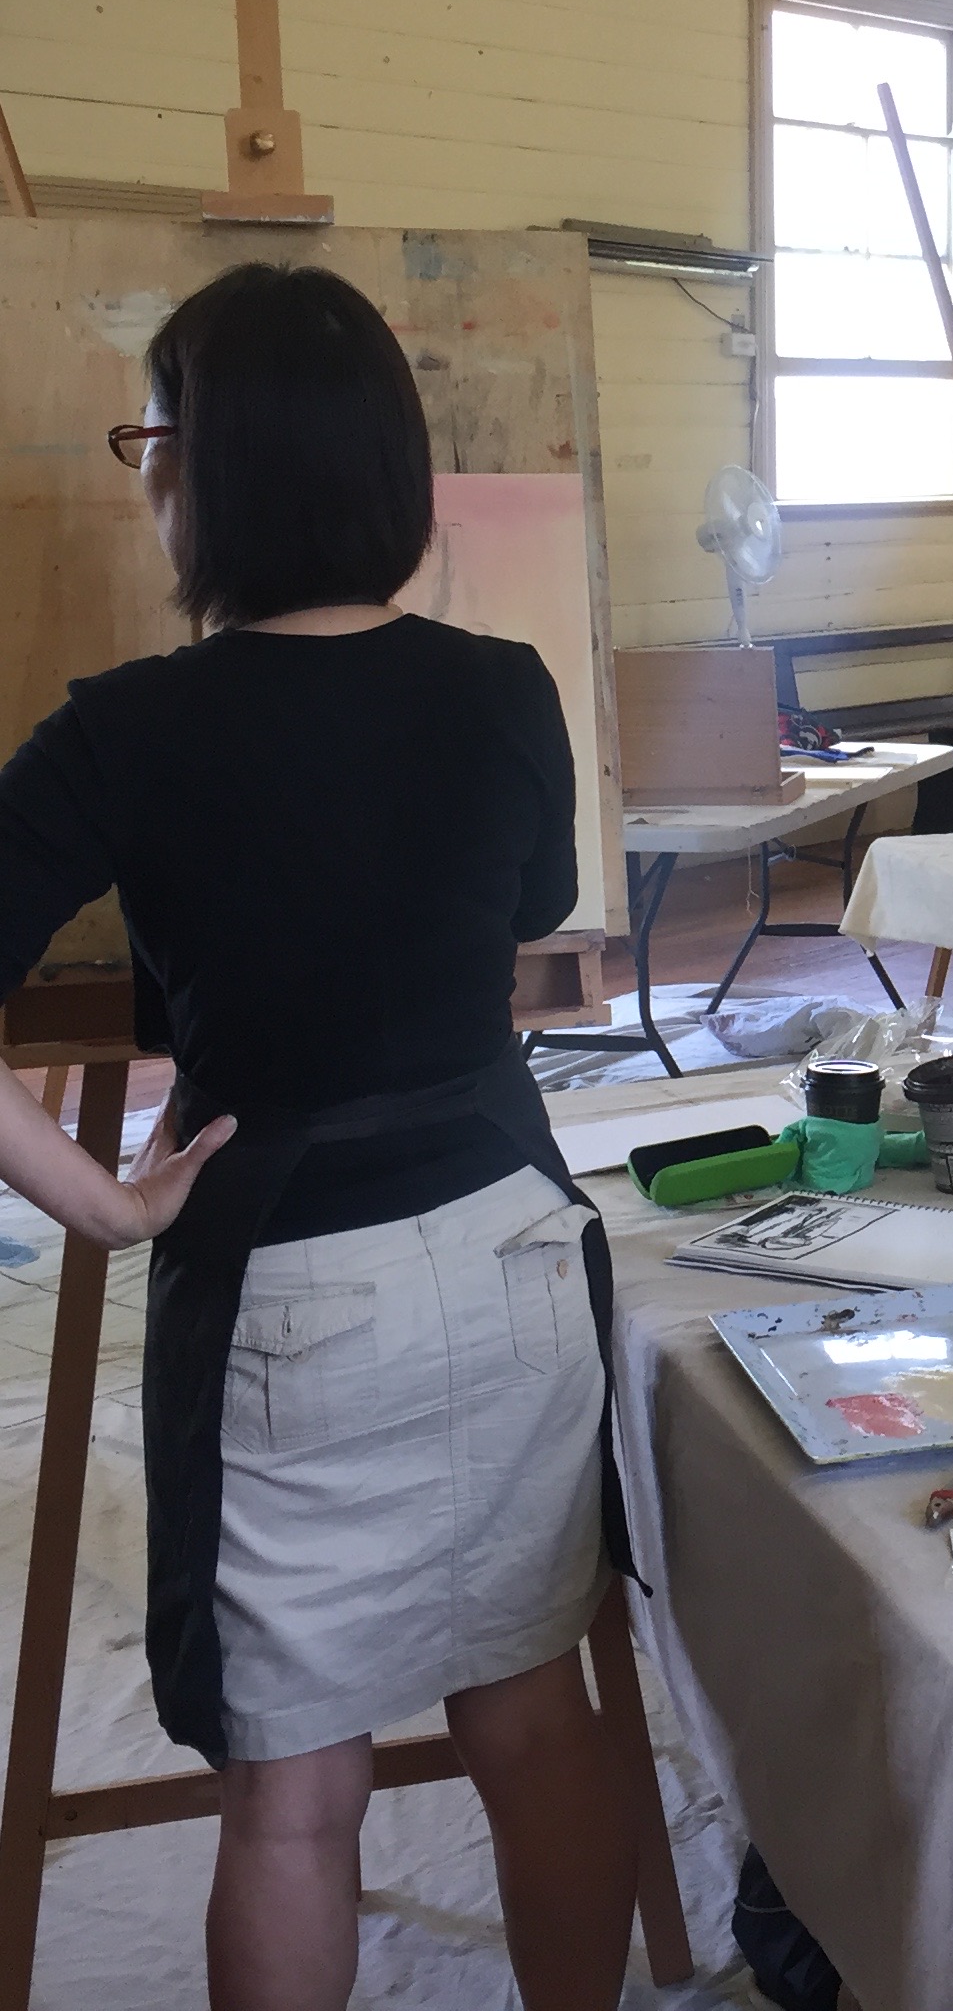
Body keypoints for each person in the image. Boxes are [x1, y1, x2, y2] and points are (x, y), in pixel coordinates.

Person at [0, 265, 637, 2011]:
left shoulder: (121, 729)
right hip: (513, 1248)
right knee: (533, 1714)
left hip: (284, 1283)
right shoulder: (506, 684)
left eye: (152, 439)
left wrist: (104, 1207)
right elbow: (533, 906)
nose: (144, 475)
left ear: (208, 470)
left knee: (292, 1796)